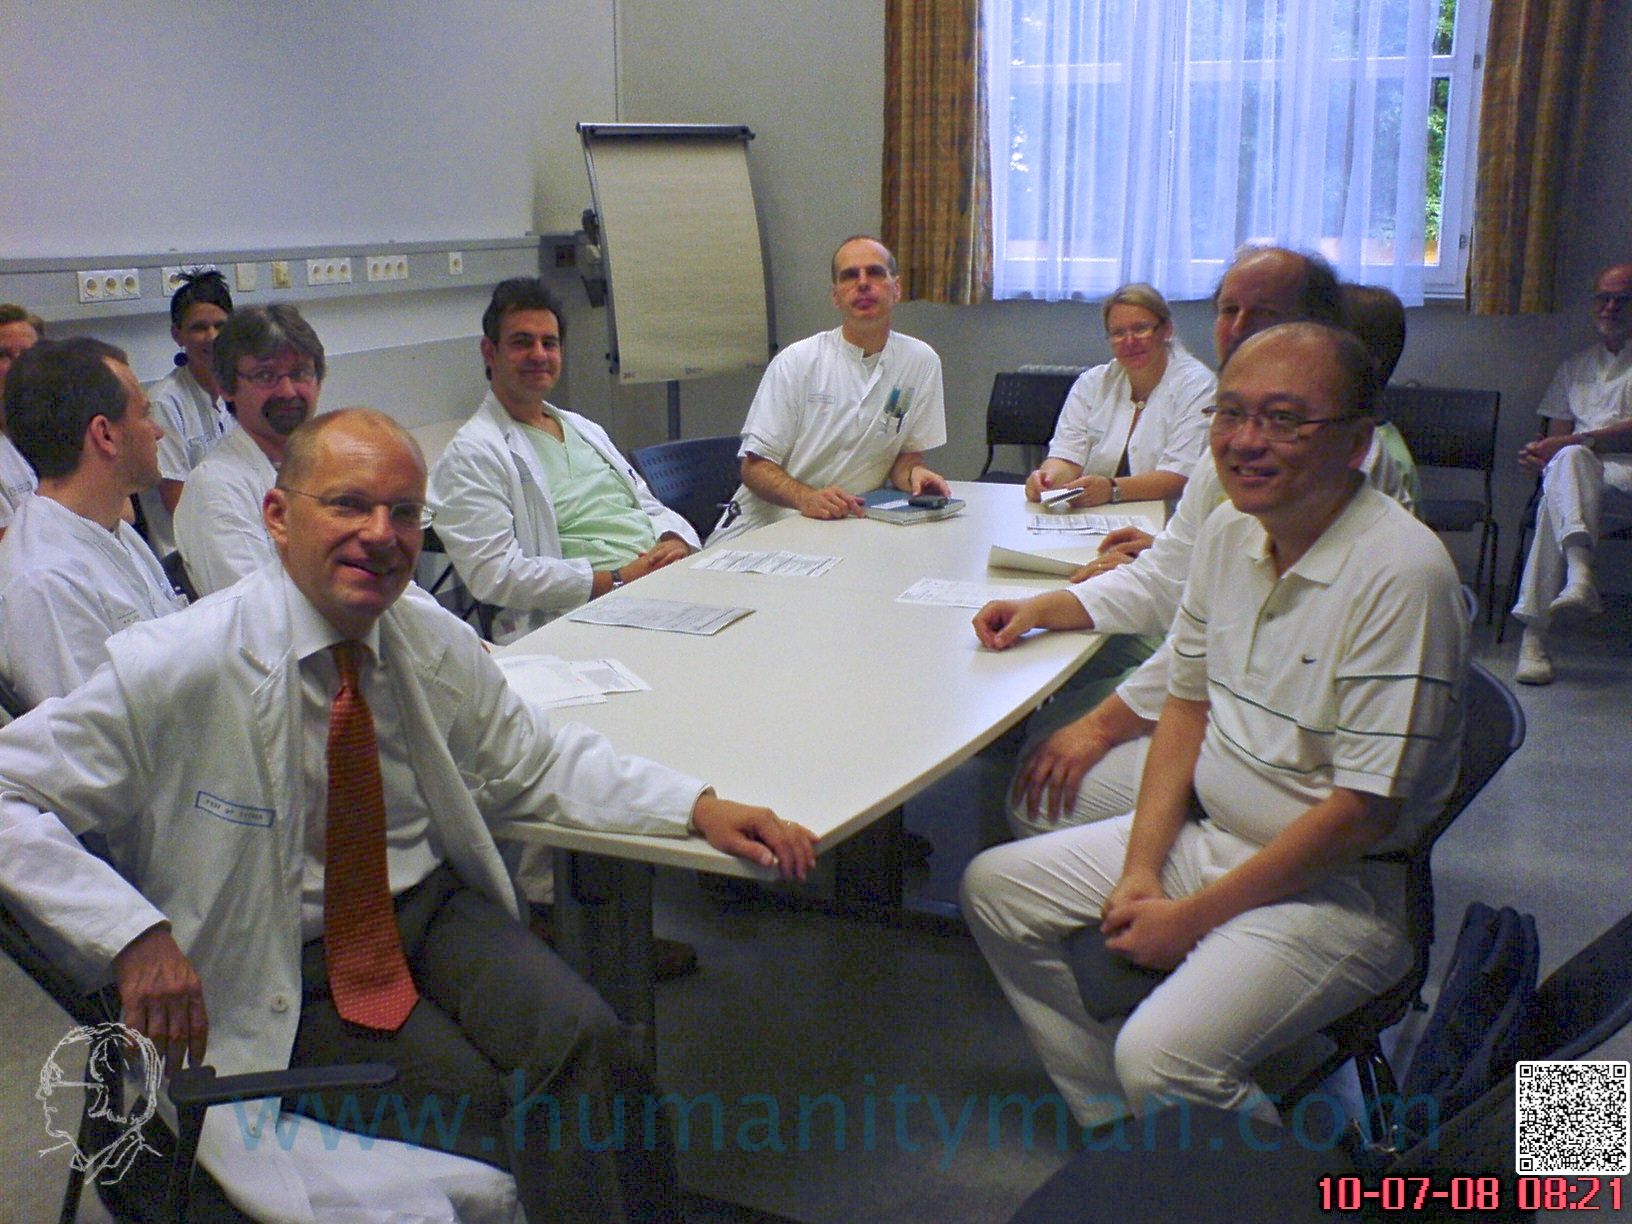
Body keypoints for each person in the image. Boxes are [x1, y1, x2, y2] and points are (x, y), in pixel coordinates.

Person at [0, 408, 817, 1221]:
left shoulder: (422, 635)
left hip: (425, 911)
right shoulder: (184, 663)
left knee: (593, 1047)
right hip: (285, 954)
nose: (381, 534)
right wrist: (132, 934)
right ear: (278, 517)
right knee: (499, 1111)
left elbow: (530, 759)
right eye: (347, 505)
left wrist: (694, 805)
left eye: (403, 512)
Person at [962, 323, 1467, 1128]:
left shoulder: (1403, 575)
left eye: (1283, 419)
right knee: (995, 889)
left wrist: (1189, 920)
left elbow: (1361, 813)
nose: (1244, 441)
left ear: (1357, 443)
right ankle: (1122, 1124)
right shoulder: (1234, 531)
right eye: (1230, 414)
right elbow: (1186, 706)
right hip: (1219, 837)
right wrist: (1141, 870)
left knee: (1162, 1057)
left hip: (1338, 893)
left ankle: (1266, 1185)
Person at [978, 248, 1414, 836]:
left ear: (1318, 326)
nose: (1238, 329)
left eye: (1263, 313)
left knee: (1039, 797)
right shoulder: (1228, 453)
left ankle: (1199, 863)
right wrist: (1043, 607)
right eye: (1228, 310)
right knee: (1048, 737)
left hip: (1288, 748)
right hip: (1226, 702)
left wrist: (1103, 728)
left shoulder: (1338, 457)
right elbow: (1167, 578)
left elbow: (1216, 642)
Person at [429, 278, 700, 646]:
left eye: (550, 343)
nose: (539, 355)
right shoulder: (472, 454)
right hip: (588, 611)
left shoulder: (583, 428)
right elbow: (495, 575)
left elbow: (643, 503)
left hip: (661, 581)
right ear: (489, 352)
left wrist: (673, 539)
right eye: (522, 342)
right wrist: (618, 578)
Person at [711, 235, 950, 544]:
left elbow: (904, 458)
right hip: (768, 525)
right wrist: (806, 498)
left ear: (897, 289)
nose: (863, 283)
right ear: (836, 296)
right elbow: (754, 468)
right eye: (849, 276)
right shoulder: (798, 362)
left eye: (875, 272)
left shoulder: (920, 362)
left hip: (850, 524)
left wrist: (915, 474)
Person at [0, 338, 184, 708]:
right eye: (145, 415)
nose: (157, 431)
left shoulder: (112, 529)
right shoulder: (45, 583)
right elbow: (99, 732)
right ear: (105, 435)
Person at [1510, 262, 1632, 685]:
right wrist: (1539, 457)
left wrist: (1573, 445)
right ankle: (1578, 577)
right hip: (1579, 482)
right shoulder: (1574, 366)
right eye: (1603, 298)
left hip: (1627, 483)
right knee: (1565, 470)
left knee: (1564, 477)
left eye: (1622, 299)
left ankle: (1534, 638)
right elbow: (1558, 441)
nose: (1610, 307)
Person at [173, 304, 321, 595]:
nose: (288, 391)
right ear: (227, 388)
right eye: (265, 376)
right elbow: (258, 610)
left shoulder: (329, 464)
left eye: (300, 373)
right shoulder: (216, 487)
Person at [1024, 282, 1213, 509]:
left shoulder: (1198, 385)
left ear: (1167, 330)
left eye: (1141, 329)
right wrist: (1046, 480)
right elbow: (1068, 455)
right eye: (1118, 333)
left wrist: (1112, 489)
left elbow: (1182, 474)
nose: (1130, 341)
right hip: (1097, 514)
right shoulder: (1092, 383)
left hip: (1170, 515)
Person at [138, 270, 234, 555]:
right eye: (199, 328)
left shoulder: (235, 394)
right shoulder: (164, 404)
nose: (212, 337)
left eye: (220, 326)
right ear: (177, 335)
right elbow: (179, 505)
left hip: (229, 537)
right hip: (187, 554)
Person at [0, 303, 44, 540]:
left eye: (28, 355)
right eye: (3, 355)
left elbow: (122, 511)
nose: (19, 367)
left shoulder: (61, 423)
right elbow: (9, 546)